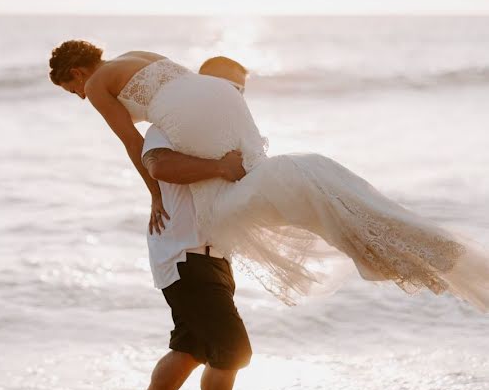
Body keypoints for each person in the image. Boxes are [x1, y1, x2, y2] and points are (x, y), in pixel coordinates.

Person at [48, 40, 489, 310]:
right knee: (267, 181)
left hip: (197, 108)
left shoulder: (96, 82)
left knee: (229, 206)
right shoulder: (135, 55)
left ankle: (380, 250)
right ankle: (396, 243)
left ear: (76, 73)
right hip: (224, 100)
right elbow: (180, 90)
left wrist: (155, 196)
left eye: (71, 90)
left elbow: (131, 141)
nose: (78, 96)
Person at [124, 120, 250, 390]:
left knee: (192, 347)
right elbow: (160, 166)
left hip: (217, 255)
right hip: (184, 254)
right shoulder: (171, 126)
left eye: (239, 90)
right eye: (229, 87)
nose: (233, 97)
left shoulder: (225, 134)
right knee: (232, 348)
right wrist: (221, 167)